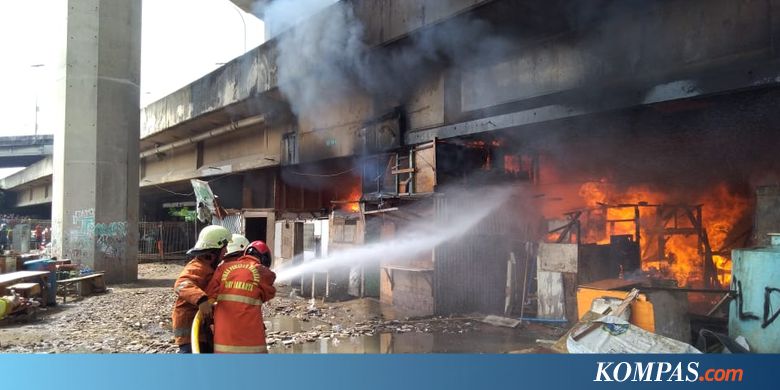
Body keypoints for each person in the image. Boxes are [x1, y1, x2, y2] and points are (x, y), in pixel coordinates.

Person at [206, 240, 276, 353]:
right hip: (252, 346)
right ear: (265, 259)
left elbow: (209, 295)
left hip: (223, 344)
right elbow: (269, 293)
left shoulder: (223, 268)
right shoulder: (262, 272)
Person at [171, 225, 232, 354]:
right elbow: (181, 284)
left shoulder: (209, 268)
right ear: (214, 251)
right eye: (224, 247)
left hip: (202, 329)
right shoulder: (197, 266)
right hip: (189, 329)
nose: (226, 251)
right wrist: (201, 299)